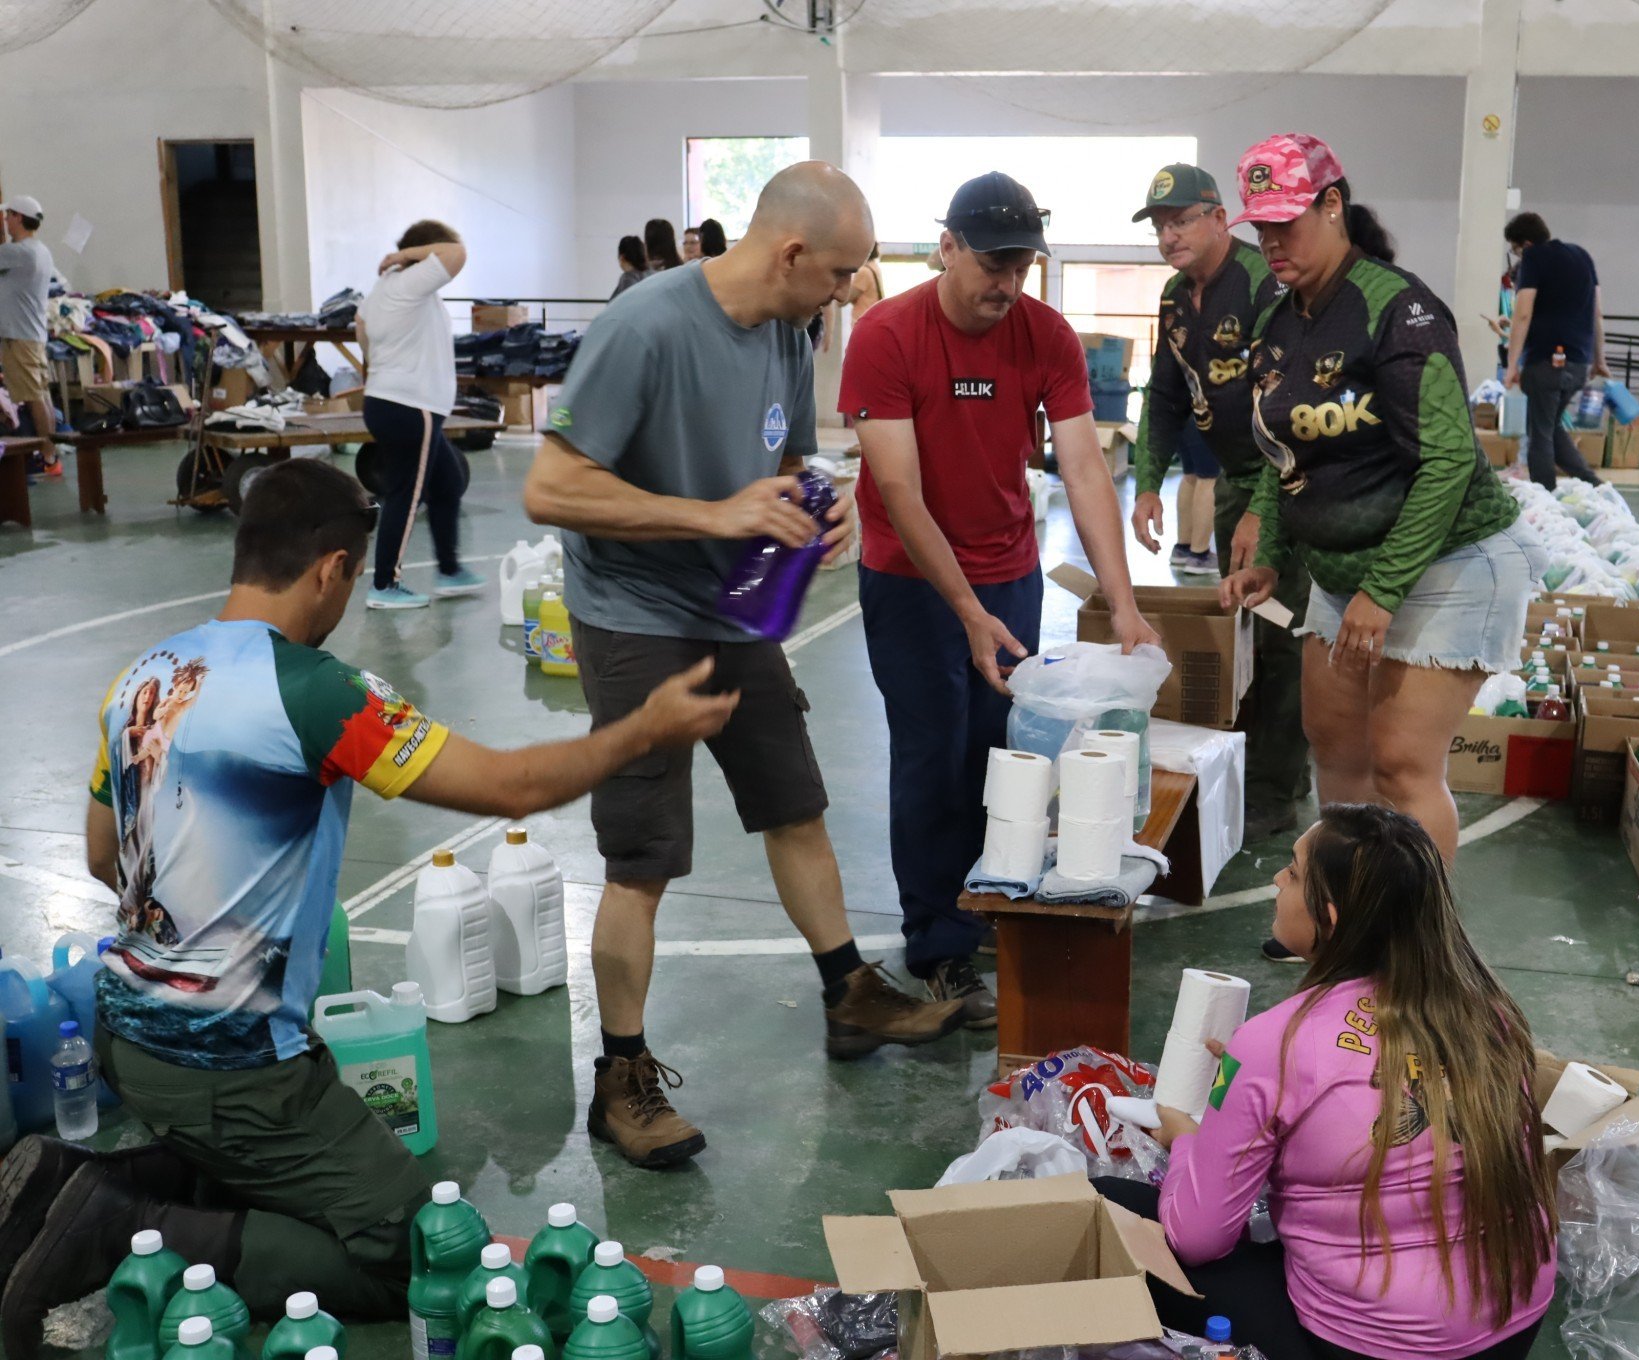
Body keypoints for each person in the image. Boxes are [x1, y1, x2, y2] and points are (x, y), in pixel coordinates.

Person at [0, 460, 739, 1355]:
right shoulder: (317, 694)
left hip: (126, 1032)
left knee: (295, 1166)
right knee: (418, 1258)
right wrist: (644, 727)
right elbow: (509, 787)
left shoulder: (142, 677)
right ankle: (118, 1224)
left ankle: (124, 1179)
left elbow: (97, 854)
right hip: (234, 1068)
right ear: (333, 569)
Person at [524, 162, 963, 1170]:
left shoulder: (788, 326)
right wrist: (707, 515)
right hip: (631, 611)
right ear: (792, 252)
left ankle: (849, 994)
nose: (854, 290)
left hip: (732, 605)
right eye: (844, 271)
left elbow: (778, 460)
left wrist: (818, 498)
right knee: (643, 858)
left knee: (794, 801)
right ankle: (621, 1076)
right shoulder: (647, 327)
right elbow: (550, 487)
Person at [839, 171, 1161, 1025]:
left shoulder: (1044, 335)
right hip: (911, 581)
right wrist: (964, 609)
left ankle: (984, 907)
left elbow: (1086, 465)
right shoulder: (885, 336)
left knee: (1004, 753)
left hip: (1010, 571)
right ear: (945, 247)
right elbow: (900, 493)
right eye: (991, 263)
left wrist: (1122, 602)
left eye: (1020, 266)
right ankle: (937, 944)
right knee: (930, 756)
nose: (1005, 284)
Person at [1096, 804, 1555, 1360]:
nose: (1275, 880)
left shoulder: (1276, 1043)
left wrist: (1186, 1137)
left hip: (1375, 1347)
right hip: (1511, 1327)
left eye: (1291, 872)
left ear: (1330, 918)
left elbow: (1196, 1238)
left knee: (1105, 1205)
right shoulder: (1488, 1013)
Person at [1219, 134, 1539, 865]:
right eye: (1260, 227)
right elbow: (1283, 443)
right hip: (1344, 572)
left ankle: (1414, 959)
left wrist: (1384, 590)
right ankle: (1347, 924)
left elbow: (1450, 461)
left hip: (1448, 564)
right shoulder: (1280, 317)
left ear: (1334, 205)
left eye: (1287, 223)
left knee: (1399, 767)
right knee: (1337, 753)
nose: (1271, 242)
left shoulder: (1397, 310)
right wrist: (1268, 545)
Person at [1127, 162, 1310, 860]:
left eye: (1181, 220)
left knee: (1284, 636)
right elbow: (1165, 398)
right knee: (1253, 637)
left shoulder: (1265, 289)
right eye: (1159, 225)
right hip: (1235, 484)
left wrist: (1267, 511)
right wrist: (1148, 482)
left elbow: (1286, 410)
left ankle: (1276, 790)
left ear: (1219, 217)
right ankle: (1264, 772)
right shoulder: (1176, 299)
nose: (1169, 235)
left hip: (1289, 485)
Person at [354, 219, 483, 610]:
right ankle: (384, 585)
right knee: (406, 495)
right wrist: (405, 254)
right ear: (426, 252)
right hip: (412, 407)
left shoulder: (387, 288)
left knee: (447, 481)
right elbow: (456, 254)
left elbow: (360, 327)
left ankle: (449, 569)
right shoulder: (408, 279)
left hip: (390, 401)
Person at [1502, 212, 1607, 491]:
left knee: (1539, 433)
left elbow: (1522, 313)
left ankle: (1543, 495)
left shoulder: (1534, 259)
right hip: (1578, 362)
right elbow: (1597, 314)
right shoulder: (1582, 256)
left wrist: (1512, 363)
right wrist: (1600, 359)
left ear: (1525, 244)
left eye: (1515, 249)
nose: (1517, 255)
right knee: (1549, 427)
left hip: (1545, 360)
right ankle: (1594, 484)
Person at [0, 195, 56, 444]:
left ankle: (48, 454)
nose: (5, 221)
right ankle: (52, 448)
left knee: (34, 397)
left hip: (21, 337)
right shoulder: (40, 250)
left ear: (18, 218)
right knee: (42, 394)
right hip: (33, 334)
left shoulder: (18, 252)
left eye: (8, 215)